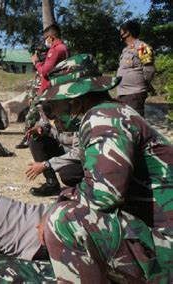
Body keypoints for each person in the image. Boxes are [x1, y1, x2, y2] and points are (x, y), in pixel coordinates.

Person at [36, 54, 173, 282]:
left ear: (76, 101)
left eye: (54, 106)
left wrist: (60, 201)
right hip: (157, 236)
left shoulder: (104, 118)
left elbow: (103, 195)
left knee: (65, 220)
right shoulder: (111, 112)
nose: (53, 115)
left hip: (165, 246)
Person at [16, 24, 69, 149]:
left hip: (48, 90)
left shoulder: (56, 49)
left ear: (51, 37)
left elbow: (45, 71)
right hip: (52, 89)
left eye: (46, 38)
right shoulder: (64, 48)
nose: (45, 41)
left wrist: (36, 62)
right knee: (49, 117)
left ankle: (29, 138)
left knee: (37, 116)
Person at [24, 114, 83, 196]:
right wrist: (40, 128)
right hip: (65, 151)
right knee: (35, 138)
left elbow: (78, 154)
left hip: (83, 160)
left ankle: (88, 186)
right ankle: (52, 184)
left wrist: (47, 164)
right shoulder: (54, 112)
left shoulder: (79, 120)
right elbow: (46, 123)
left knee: (68, 175)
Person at [117, 20, 155, 117]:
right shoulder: (126, 49)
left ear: (127, 32)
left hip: (134, 93)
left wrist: (146, 84)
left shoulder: (142, 47)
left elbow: (149, 70)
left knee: (134, 124)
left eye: (121, 31)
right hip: (123, 93)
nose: (120, 33)